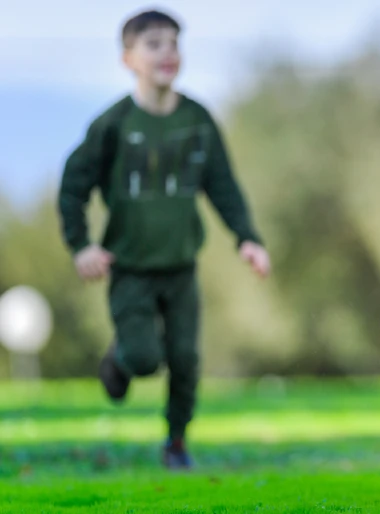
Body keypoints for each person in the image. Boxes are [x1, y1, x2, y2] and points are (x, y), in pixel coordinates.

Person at [57, 9, 270, 470]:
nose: (168, 53)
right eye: (154, 44)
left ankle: (176, 443)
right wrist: (82, 245)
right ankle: (118, 360)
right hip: (129, 266)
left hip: (180, 266)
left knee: (186, 359)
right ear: (128, 58)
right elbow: (73, 185)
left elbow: (223, 186)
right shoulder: (112, 124)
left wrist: (246, 239)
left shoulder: (196, 120)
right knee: (144, 357)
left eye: (174, 43)